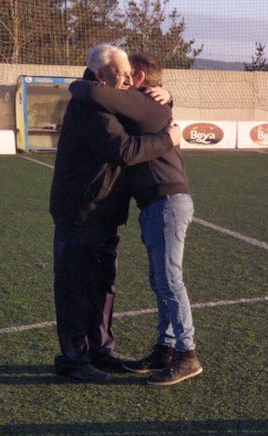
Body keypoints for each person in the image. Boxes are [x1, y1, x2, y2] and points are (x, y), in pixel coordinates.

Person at [69, 52, 202, 386]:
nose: (125, 80)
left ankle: (187, 355)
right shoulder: (150, 104)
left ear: (140, 78)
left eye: (130, 74)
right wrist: (171, 97)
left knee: (169, 280)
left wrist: (79, 85)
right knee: (161, 280)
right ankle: (165, 349)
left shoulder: (141, 103)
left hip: (166, 201)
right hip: (160, 204)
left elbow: (96, 93)